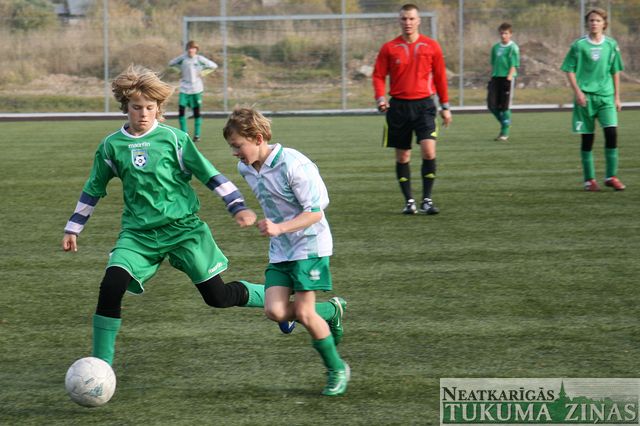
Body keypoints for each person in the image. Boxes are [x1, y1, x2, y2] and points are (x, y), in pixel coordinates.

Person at [61, 65, 291, 367]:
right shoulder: (111, 146)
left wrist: (237, 206)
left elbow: (210, 174)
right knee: (111, 285)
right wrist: (73, 228)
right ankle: (101, 364)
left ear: (159, 108)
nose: (143, 114)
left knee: (218, 297)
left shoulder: (175, 139)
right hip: (139, 235)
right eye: (137, 107)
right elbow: (93, 188)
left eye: (150, 107)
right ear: (125, 107)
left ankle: (294, 306)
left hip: (184, 230)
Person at [223, 107, 350, 397]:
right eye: (232, 147)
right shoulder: (246, 168)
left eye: (238, 146)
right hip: (281, 249)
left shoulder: (294, 164)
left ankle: (337, 369)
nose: (235, 153)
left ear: (257, 138)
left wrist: (280, 227)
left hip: (309, 246)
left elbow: (315, 213)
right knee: (275, 311)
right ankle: (331, 311)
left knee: (303, 312)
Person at [372, 3, 452, 216]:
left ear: (418, 21)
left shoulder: (431, 46)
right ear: (399, 21)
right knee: (403, 156)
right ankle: (409, 201)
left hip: (425, 105)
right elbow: (378, 75)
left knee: (429, 150)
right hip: (398, 107)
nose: (407, 22)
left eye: (411, 19)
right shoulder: (389, 47)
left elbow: (440, 77)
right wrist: (380, 98)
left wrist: (445, 106)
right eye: (404, 19)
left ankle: (427, 200)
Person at [561, 8, 625, 192]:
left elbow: (615, 71)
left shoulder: (611, 45)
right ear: (587, 24)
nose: (594, 23)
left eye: (597, 20)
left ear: (604, 23)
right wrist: (578, 92)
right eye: (591, 20)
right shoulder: (579, 45)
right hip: (585, 99)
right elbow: (569, 69)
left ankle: (611, 177)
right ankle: (589, 180)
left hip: (606, 97)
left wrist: (617, 97)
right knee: (588, 139)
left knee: (611, 133)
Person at [168, 40, 217, 143]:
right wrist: (179, 70)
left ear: (196, 50)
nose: (191, 50)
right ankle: (184, 135)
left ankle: (197, 135)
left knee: (196, 113)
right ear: (187, 49)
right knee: (181, 111)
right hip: (184, 89)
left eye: (193, 48)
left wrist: (203, 73)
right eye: (190, 48)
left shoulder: (199, 59)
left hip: (196, 89)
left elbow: (213, 66)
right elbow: (171, 63)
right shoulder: (182, 58)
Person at [487, 22, 520, 142]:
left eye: (506, 33)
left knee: (504, 107)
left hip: (506, 79)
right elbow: (493, 63)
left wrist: (509, 78)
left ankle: (504, 133)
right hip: (496, 78)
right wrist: (491, 77)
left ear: (510, 34)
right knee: (491, 105)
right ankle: (505, 123)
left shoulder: (513, 48)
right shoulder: (495, 48)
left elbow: (514, 65)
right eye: (501, 33)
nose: (503, 35)